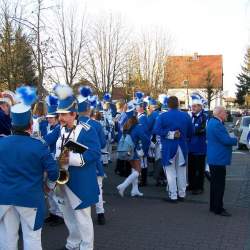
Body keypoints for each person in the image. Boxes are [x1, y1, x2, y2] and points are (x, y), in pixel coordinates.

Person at [0, 86, 59, 250]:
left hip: (4, 198)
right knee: (32, 240)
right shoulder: (38, 146)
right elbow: (54, 171)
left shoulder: (1, 144)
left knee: (7, 240)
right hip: (30, 198)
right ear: (30, 125)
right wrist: (49, 186)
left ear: (12, 123)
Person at [54, 84, 101, 250]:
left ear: (74, 114)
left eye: (64, 115)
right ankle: (72, 243)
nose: (60, 118)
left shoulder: (87, 130)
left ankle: (87, 247)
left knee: (83, 217)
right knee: (68, 215)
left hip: (81, 180)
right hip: (64, 180)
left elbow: (95, 153)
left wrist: (74, 159)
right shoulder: (61, 129)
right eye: (59, 114)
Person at [154, 96, 193, 203]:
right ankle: (182, 194)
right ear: (178, 104)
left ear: (168, 104)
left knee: (170, 172)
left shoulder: (163, 116)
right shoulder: (186, 116)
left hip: (168, 147)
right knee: (181, 171)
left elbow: (156, 130)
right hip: (182, 146)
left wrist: (169, 134)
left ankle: (173, 195)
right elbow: (191, 132)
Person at [78, 87, 107, 225]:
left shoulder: (73, 124)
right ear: (89, 110)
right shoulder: (96, 124)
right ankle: (100, 213)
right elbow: (102, 144)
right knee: (98, 188)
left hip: (78, 162)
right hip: (94, 161)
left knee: (81, 189)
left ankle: (84, 217)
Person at [206, 106, 237, 216]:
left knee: (215, 184)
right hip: (218, 158)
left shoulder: (212, 122)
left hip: (214, 157)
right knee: (219, 185)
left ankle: (213, 206)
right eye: (225, 112)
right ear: (219, 113)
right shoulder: (217, 124)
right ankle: (218, 208)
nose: (227, 114)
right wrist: (236, 139)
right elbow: (225, 140)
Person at [117, 112, 150, 197]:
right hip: (134, 151)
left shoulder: (126, 127)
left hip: (127, 151)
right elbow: (145, 139)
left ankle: (134, 190)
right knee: (138, 171)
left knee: (134, 170)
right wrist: (144, 149)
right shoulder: (138, 128)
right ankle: (123, 186)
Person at [43, 95, 64, 226]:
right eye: (48, 117)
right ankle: (53, 213)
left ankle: (60, 215)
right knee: (49, 191)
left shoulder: (58, 129)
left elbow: (47, 141)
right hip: (49, 161)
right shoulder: (51, 127)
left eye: (51, 117)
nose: (49, 119)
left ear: (57, 118)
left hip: (56, 162)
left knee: (54, 190)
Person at [188, 97, 208, 194]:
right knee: (191, 168)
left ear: (200, 107)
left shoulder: (204, 117)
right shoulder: (190, 116)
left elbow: (203, 130)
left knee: (199, 169)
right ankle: (191, 185)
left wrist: (191, 131)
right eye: (192, 106)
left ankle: (199, 187)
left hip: (200, 147)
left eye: (195, 106)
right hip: (191, 147)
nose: (193, 108)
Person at [134, 91, 150, 186]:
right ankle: (142, 180)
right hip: (139, 143)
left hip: (142, 144)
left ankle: (143, 181)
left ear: (141, 108)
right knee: (141, 162)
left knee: (143, 163)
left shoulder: (142, 118)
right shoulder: (139, 117)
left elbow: (143, 135)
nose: (135, 107)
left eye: (137, 106)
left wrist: (142, 147)